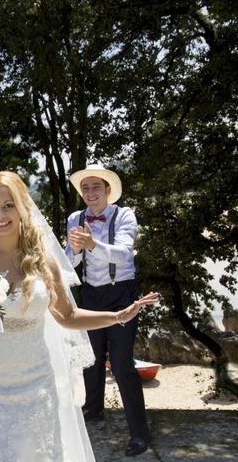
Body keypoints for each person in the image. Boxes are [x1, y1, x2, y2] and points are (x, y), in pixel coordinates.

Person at [0, 171, 159, 461]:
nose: (0, 215)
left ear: (23, 207)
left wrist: (117, 316)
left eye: (8, 205)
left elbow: (68, 315)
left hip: (33, 379)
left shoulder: (43, 260)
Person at [66, 163, 152, 456]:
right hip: (89, 294)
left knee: (122, 364)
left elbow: (124, 252)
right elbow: (70, 265)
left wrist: (92, 244)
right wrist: (76, 251)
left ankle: (140, 433)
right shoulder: (74, 218)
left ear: (107, 190)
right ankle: (94, 410)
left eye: (95, 187)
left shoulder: (124, 214)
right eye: (85, 188)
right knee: (91, 359)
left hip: (121, 295)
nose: (90, 193)